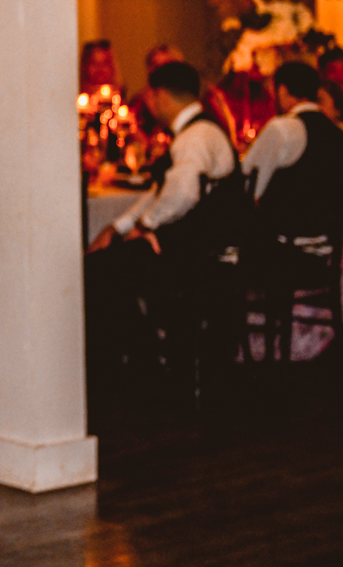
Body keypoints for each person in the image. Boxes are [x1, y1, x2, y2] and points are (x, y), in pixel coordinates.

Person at [86, 62, 239, 385]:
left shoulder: (197, 136)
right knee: (104, 264)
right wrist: (119, 228)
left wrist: (143, 227)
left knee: (97, 271)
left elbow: (182, 193)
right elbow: (162, 191)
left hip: (196, 257)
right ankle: (145, 354)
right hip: (190, 249)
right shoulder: (199, 131)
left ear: (160, 96)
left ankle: (132, 364)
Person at [243, 61, 343, 232]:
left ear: (282, 91)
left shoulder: (284, 128)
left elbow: (249, 182)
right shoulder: (336, 132)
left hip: (284, 245)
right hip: (328, 242)